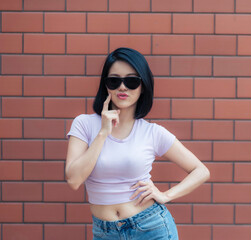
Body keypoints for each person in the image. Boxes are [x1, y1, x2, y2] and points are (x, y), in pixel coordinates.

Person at [65, 47, 210, 240]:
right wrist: (103, 133)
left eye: (132, 81)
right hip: (105, 233)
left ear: (143, 87)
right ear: (106, 86)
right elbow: (73, 180)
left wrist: (166, 195)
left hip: (151, 228)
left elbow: (201, 171)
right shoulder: (84, 124)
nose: (122, 87)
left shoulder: (152, 132)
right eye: (114, 81)